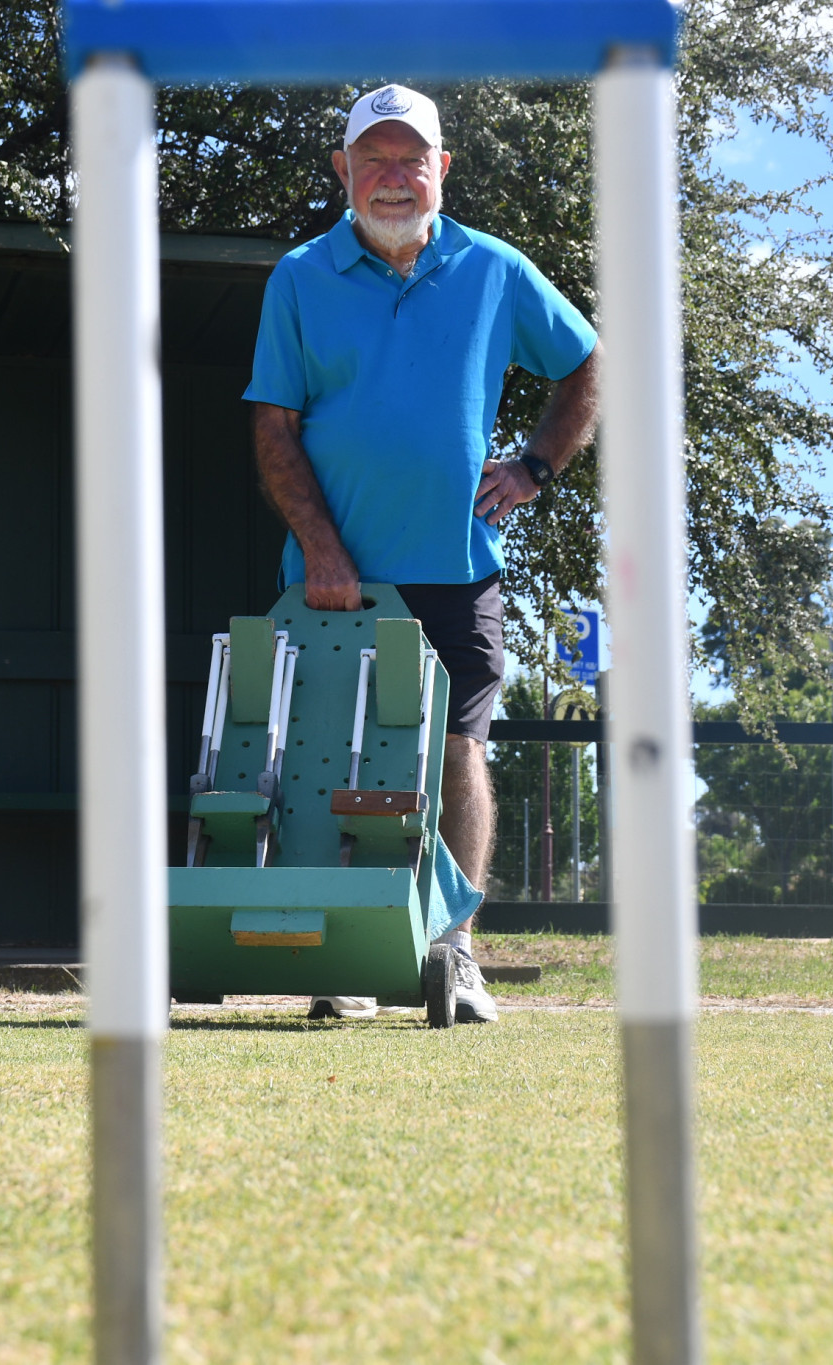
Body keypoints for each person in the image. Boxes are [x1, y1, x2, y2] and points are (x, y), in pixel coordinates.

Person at [245, 83, 600, 1024]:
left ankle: (455, 950)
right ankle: (344, 960)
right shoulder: (299, 276)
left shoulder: (496, 269)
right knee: (332, 762)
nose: (394, 179)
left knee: (457, 753)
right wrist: (322, 547)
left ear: (442, 168)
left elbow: (584, 360)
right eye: (375, 160)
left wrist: (537, 463)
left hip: (458, 570)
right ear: (343, 171)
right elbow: (273, 429)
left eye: (413, 160)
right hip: (333, 582)